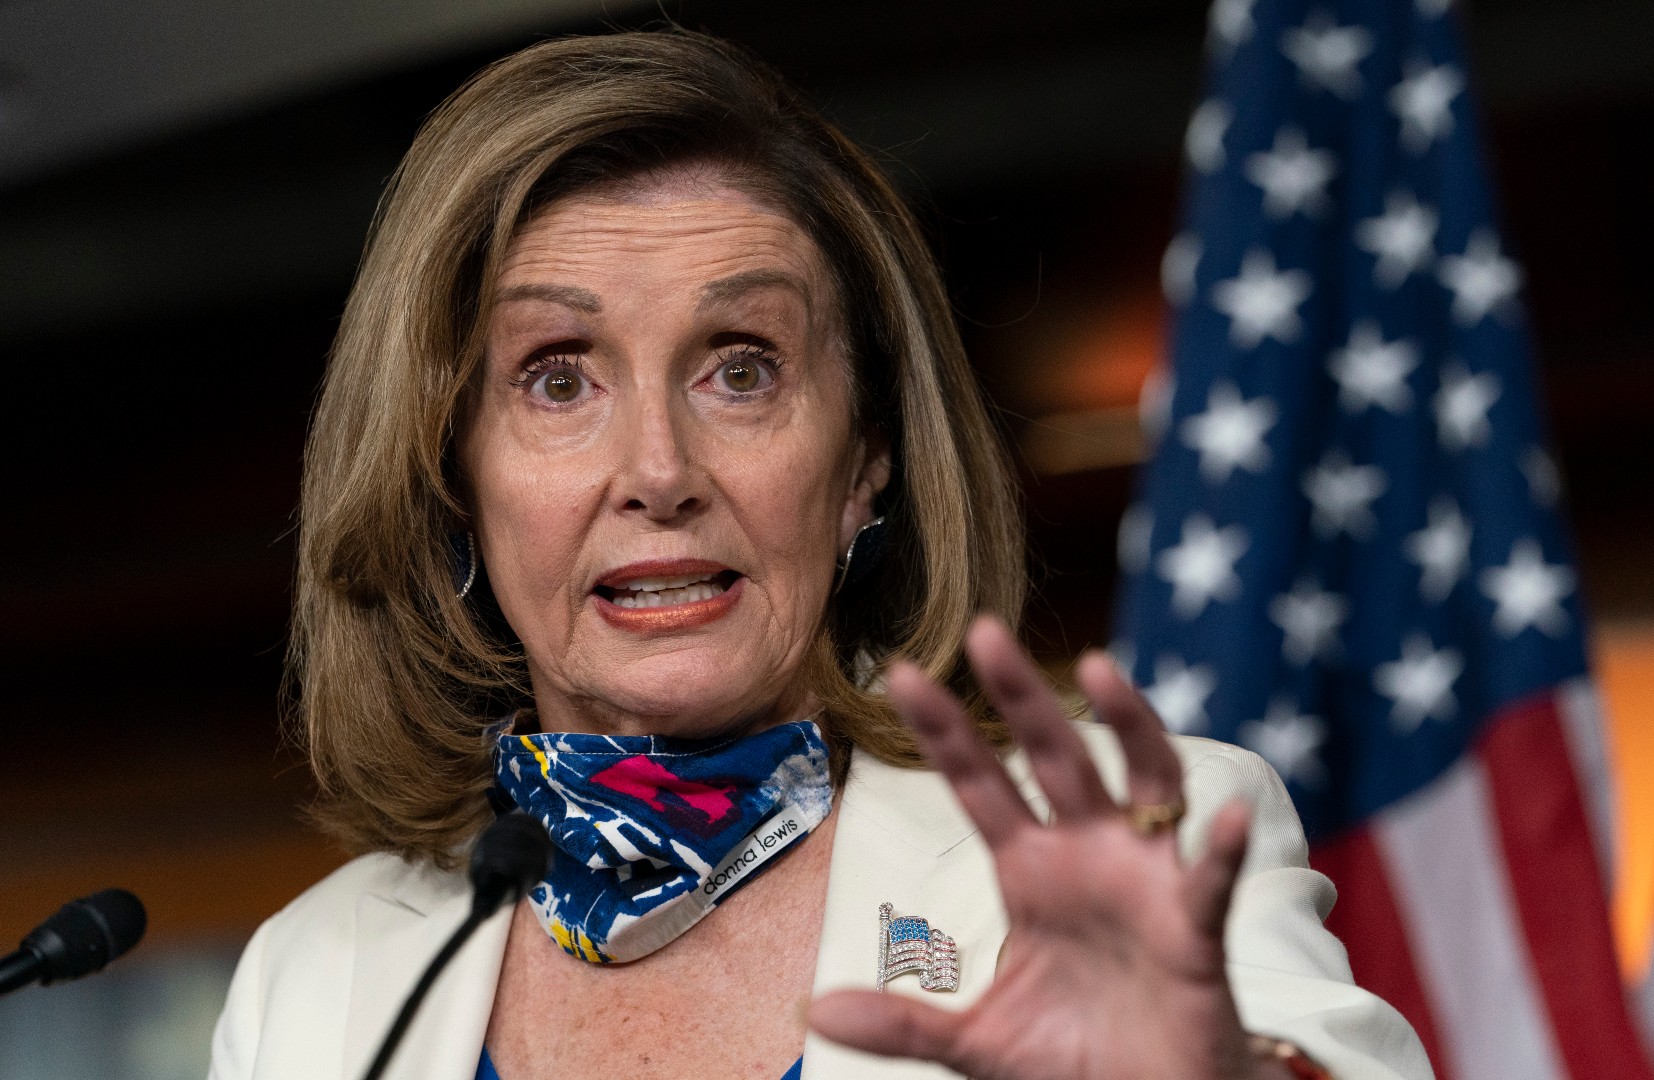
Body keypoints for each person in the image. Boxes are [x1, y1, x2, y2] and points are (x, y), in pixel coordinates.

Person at [207, 30, 1432, 1080]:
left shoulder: (1133, 836)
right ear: (450, 481)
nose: (658, 470)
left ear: (865, 462)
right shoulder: (318, 980)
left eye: (741, 369)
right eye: (558, 377)